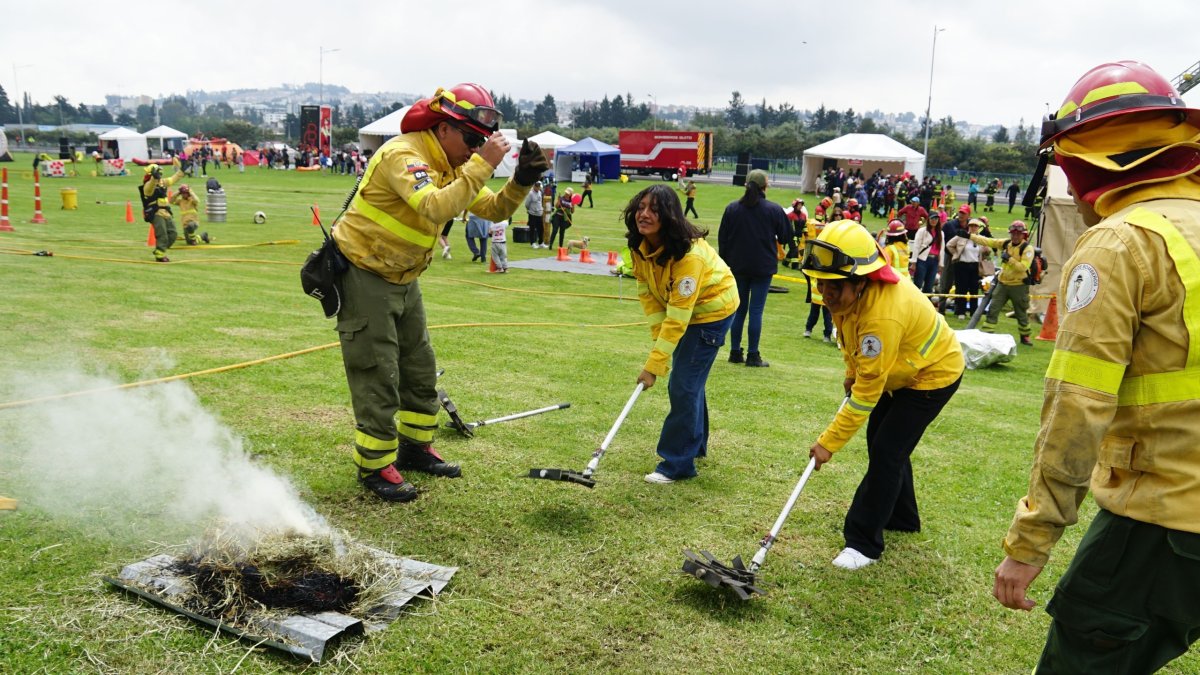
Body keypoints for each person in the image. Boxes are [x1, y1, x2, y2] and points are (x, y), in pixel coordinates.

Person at [992, 60, 1200, 672]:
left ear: (1081, 161)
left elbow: (1078, 406)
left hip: (1163, 520)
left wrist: (1031, 541)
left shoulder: (1119, 242)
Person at [329, 83, 548, 502]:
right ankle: (374, 466)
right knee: (378, 372)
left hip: (404, 277)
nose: (475, 148)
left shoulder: (450, 163)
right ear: (444, 128)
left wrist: (520, 180)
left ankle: (414, 449)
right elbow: (435, 207)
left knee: (419, 367)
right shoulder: (404, 155)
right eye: (470, 138)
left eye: (481, 141)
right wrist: (483, 163)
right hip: (366, 274)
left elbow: (494, 209)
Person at [800, 220, 964, 569]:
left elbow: (866, 396)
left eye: (834, 287)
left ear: (861, 280)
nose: (825, 294)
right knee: (883, 441)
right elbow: (849, 342)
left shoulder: (882, 316)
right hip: (900, 371)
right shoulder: (849, 300)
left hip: (933, 375)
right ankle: (903, 518)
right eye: (821, 283)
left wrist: (828, 443)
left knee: (888, 449)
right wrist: (850, 373)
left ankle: (863, 543)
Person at [624, 184, 739, 484]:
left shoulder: (690, 256)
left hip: (713, 313)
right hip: (685, 312)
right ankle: (694, 446)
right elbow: (648, 294)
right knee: (690, 381)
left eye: (654, 210)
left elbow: (678, 318)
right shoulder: (640, 246)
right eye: (641, 207)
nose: (644, 215)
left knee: (683, 384)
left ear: (670, 216)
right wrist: (658, 344)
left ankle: (677, 464)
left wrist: (654, 366)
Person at [717, 169, 790, 368]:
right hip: (762, 266)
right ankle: (752, 354)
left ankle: (734, 351)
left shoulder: (732, 208)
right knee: (756, 311)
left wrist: (725, 261)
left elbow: (722, 239)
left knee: (738, 310)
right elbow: (785, 236)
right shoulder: (773, 209)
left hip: (737, 266)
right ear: (765, 186)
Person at [969, 221, 1035, 344]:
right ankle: (986, 334)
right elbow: (988, 241)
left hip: (1019, 286)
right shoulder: (1006, 243)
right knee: (993, 309)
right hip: (1002, 284)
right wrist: (970, 236)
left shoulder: (1027, 249)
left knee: (1021, 313)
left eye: (1018, 234)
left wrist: (1009, 259)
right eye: (1013, 233)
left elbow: (1023, 267)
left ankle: (1025, 336)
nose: (1015, 236)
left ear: (1023, 235)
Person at [141, 158, 185, 262]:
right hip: (156, 213)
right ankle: (160, 255)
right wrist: (153, 179)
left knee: (173, 233)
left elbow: (173, 179)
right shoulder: (148, 185)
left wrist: (182, 171)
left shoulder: (162, 182)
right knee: (162, 235)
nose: (160, 175)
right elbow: (148, 191)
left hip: (166, 211)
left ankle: (161, 248)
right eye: (158, 173)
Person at [946, 218, 984, 318]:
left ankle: (973, 312)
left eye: (975, 226)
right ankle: (960, 312)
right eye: (971, 226)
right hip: (962, 265)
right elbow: (949, 245)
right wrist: (956, 254)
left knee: (974, 290)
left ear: (978, 228)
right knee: (961, 289)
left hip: (975, 266)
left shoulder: (980, 238)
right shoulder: (961, 236)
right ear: (968, 227)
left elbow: (986, 250)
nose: (973, 228)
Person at [910, 213, 943, 295]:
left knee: (929, 285)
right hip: (922, 259)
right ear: (928, 219)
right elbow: (916, 246)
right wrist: (913, 262)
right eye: (932, 218)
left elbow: (941, 249)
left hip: (934, 260)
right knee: (918, 283)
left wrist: (941, 263)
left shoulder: (941, 233)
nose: (934, 221)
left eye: (936, 219)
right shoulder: (922, 231)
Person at [524, 182, 546, 249]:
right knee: (532, 229)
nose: (538, 188)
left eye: (539, 186)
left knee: (541, 229)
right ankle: (532, 243)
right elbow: (527, 204)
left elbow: (540, 202)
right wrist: (530, 210)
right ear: (534, 186)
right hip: (532, 214)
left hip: (539, 214)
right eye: (537, 186)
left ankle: (541, 243)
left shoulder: (540, 192)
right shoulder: (530, 193)